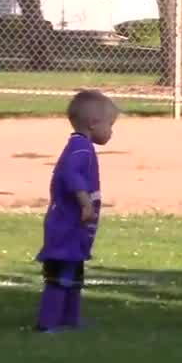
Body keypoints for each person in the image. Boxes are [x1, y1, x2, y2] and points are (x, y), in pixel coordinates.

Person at [34, 90, 120, 333]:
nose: (111, 132)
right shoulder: (80, 149)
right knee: (59, 277)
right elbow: (70, 175)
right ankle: (47, 324)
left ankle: (71, 320)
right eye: (110, 125)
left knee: (74, 277)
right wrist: (85, 203)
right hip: (66, 227)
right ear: (94, 124)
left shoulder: (81, 147)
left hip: (74, 229)